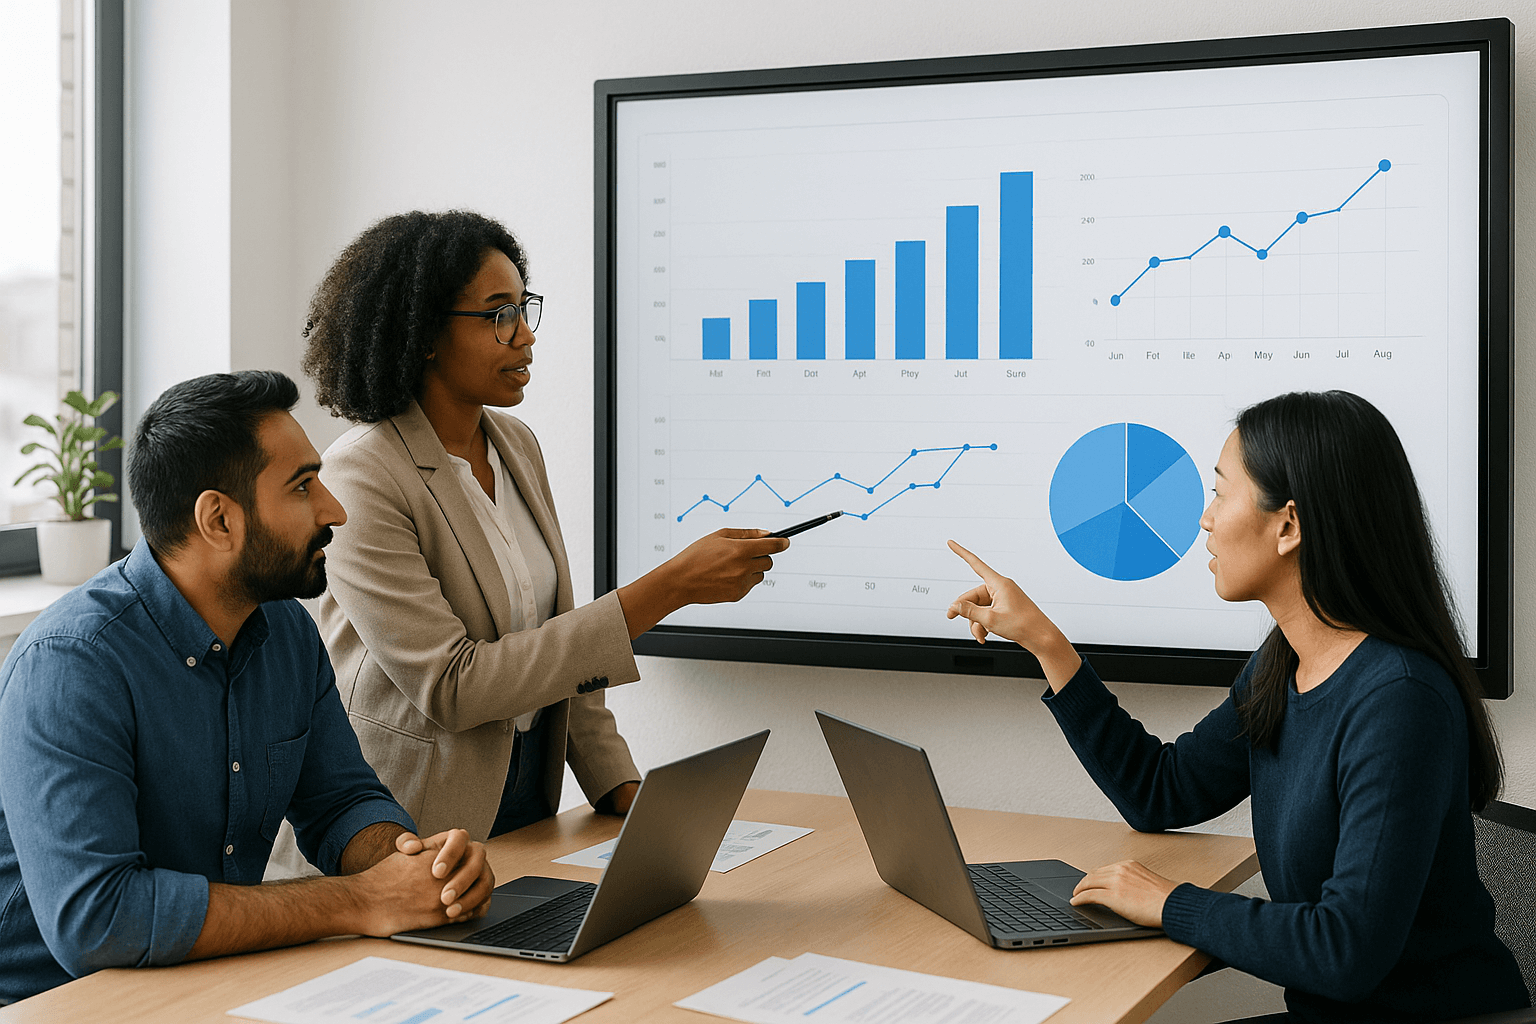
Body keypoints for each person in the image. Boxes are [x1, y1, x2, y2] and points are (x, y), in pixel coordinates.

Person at [945, 391, 1527, 1022]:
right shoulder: (1284, 664)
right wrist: (1045, 643)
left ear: (1289, 525)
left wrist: (1172, 903)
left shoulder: (1399, 700)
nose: (1204, 519)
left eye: (1221, 493)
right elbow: (1161, 791)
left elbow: (1346, 951)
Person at [277, 209, 786, 858]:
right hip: (402, 833)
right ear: (424, 331)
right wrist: (667, 589)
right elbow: (453, 686)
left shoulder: (516, 446)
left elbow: (554, 639)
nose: (525, 337)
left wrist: (619, 785)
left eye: (524, 309)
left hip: (524, 811)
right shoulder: (361, 475)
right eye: (497, 315)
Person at [0, 371, 494, 1005]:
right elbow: (98, 919)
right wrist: (361, 901)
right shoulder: (70, 665)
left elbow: (341, 803)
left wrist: (416, 866)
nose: (334, 511)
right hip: (59, 1003)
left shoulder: (286, 631)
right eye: (303, 487)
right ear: (219, 520)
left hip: (207, 982)